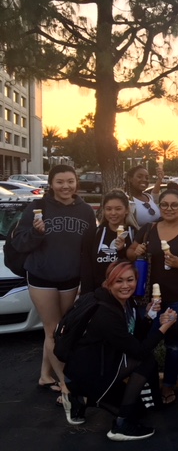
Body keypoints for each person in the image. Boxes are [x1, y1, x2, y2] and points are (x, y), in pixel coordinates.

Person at [63, 260, 178, 441]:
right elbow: (139, 351)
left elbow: (134, 336)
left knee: (139, 409)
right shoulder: (105, 313)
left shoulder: (125, 302)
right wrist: (164, 328)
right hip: (89, 374)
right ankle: (121, 425)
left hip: (103, 365)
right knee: (146, 360)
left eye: (130, 280)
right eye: (119, 281)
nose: (126, 285)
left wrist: (150, 316)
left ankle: (80, 400)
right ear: (109, 282)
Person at [12, 165, 96, 400]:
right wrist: (36, 233)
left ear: (76, 182)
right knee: (54, 330)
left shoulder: (86, 211)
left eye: (70, 181)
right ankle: (65, 383)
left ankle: (45, 375)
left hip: (70, 278)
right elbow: (19, 242)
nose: (66, 186)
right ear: (51, 184)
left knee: (60, 329)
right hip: (42, 276)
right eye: (60, 182)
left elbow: (89, 247)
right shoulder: (38, 206)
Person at [127, 189, 178, 404]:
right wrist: (137, 251)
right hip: (149, 299)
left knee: (175, 344)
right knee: (145, 342)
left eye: (174, 205)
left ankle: (168, 386)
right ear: (160, 207)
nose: (169, 209)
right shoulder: (149, 229)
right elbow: (130, 253)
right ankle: (143, 384)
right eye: (165, 205)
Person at [88, 189, 137, 290]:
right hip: (100, 294)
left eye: (118, 209)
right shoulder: (94, 234)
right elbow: (87, 268)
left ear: (127, 210)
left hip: (127, 293)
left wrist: (122, 250)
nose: (113, 213)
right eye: (108, 209)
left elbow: (134, 266)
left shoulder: (135, 234)